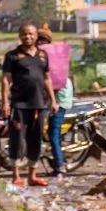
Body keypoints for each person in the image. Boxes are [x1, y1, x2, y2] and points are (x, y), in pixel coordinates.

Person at [0, 23, 58, 187]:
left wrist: (53, 100)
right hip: (19, 105)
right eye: (24, 34)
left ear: (36, 36)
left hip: (39, 105)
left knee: (35, 140)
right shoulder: (13, 56)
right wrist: (5, 101)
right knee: (17, 140)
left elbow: (47, 78)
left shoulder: (43, 55)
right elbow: (5, 79)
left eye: (31, 34)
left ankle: (33, 175)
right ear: (20, 36)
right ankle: (16, 176)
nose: (28, 37)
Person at [37, 28, 75, 177]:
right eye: (38, 40)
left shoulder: (53, 55)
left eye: (43, 40)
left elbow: (57, 84)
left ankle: (60, 165)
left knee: (53, 131)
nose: (41, 43)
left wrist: (49, 99)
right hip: (51, 96)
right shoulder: (42, 56)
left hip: (59, 97)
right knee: (51, 131)